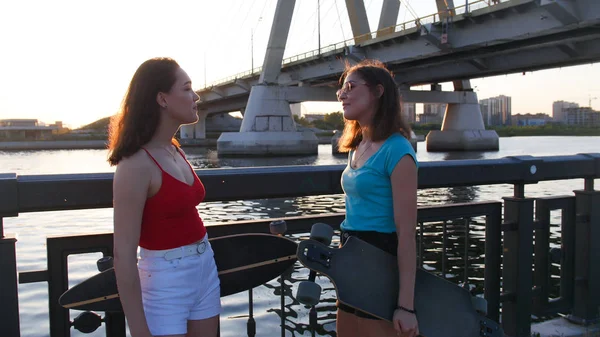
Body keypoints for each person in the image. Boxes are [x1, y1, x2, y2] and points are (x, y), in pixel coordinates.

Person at [107, 57, 220, 337]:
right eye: (186, 88)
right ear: (162, 99)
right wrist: (139, 330)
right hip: (165, 281)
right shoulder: (135, 164)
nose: (195, 96)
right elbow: (123, 256)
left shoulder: (174, 149)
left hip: (204, 267)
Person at [335, 59, 419, 337]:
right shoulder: (357, 147)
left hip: (379, 262)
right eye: (341, 89)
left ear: (378, 91)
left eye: (350, 87)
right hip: (351, 258)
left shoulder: (398, 150)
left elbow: (406, 234)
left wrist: (405, 307)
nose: (342, 94)